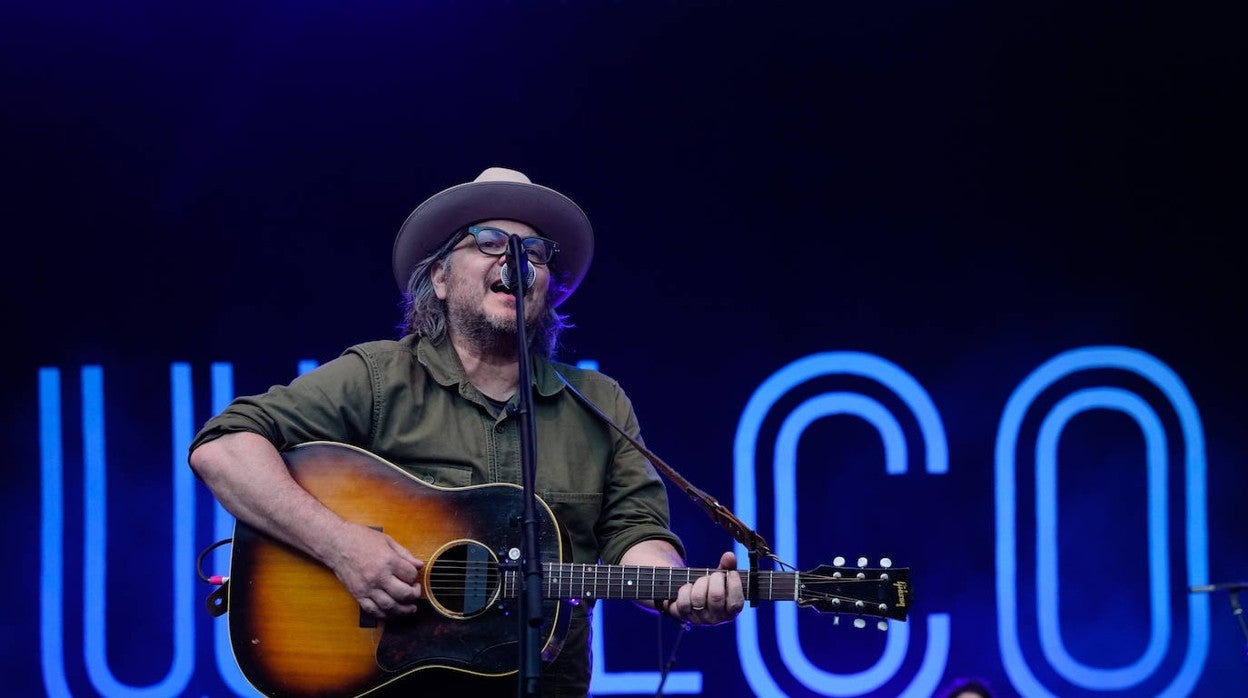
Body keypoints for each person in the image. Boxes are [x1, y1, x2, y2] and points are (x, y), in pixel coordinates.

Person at [188, 166, 745, 697]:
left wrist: (679, 590)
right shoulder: (380, 377)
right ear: (440, 278)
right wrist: (341, 545)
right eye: (487, 241)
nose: (515, 258)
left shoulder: (600, 403)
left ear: (544, 284)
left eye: (535, 251)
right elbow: (223, 448)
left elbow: (634, 534)